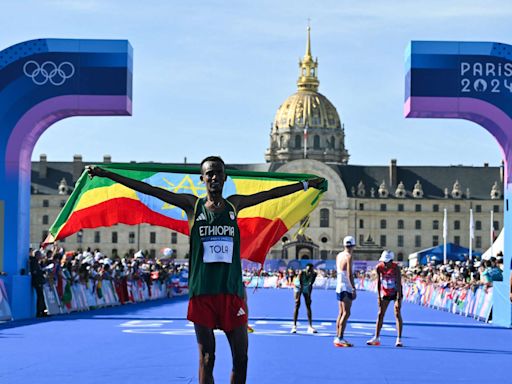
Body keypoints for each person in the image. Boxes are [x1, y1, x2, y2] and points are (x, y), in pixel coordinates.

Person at [87, 156, 324, 384]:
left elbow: (270, 194)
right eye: (209, 173)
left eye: (218, 173)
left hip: (231, 293)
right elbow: (150, 190)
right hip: (203, 293)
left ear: (225, 177)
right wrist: (108, 174)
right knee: (208, 359)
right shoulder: (193, 205)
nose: (214, 177)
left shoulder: (235, 204)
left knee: (241, 359)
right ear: (202, 179)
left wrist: (305, 185)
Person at [366, 250, 404, 347]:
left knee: (397, 312)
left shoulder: (396, 268)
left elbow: (399, 283)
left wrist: (399, 298)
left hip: (396, 292)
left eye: (387, 261)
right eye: (384, 261)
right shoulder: (379, 267)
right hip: (385, 292)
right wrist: (378, 296)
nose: (385, 263)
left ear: (391, 260)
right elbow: (378, 282)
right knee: (380, 313)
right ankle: (376, 337)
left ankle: (399, 339)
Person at [333, 236, 357, 347]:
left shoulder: (339, 255)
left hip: (339, 285)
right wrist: (353, 288)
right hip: (346, 286)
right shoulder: (349, 256)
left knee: (341, 313)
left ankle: (337, 336)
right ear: (353, 246)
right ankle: (340, 337)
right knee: (346, 312)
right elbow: (349, 274)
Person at [291, 263, 318, 334]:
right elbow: (300, 284)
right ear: (306, 269)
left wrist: (309, 296)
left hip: (306, 287)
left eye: (310, 270)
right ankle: (294, 326)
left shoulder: (314, 274)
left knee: (308, 305)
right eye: (308, 270)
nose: (309, 272)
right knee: (297, 304)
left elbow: (311, 285)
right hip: (298, 287)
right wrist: (299, 297)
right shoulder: (301, 273)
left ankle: (310, 326)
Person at [29, 249, 47, 317]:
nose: (41, 256)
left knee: (41, 297)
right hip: (37, 281)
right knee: (40, 297)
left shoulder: (37, 262)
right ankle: (39, 312)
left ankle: (42, 311)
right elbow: (34, 272)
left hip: (39, 281)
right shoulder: (34, 262)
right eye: (40, 255)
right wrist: (41, 271)